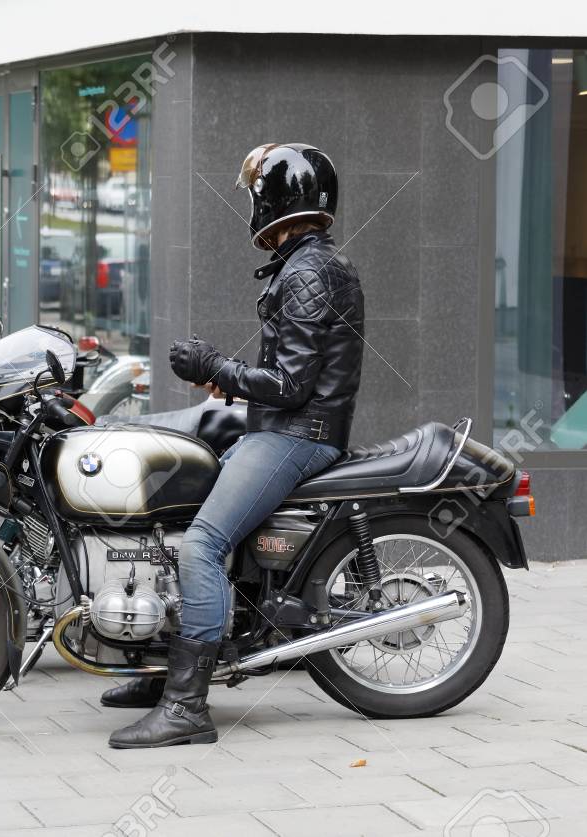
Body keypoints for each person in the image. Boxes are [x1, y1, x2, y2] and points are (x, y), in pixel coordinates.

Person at [106, 143, 364, 749]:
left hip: (298, 436)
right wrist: (222, 377)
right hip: (289, 428)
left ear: (276, 199)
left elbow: (291, 387)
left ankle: (187, 708)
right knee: (180, 517)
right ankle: (163, 667)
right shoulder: (313, 264)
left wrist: (213, 364)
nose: (251, 202)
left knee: (201, 544)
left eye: (256, 192)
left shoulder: (305, 271)